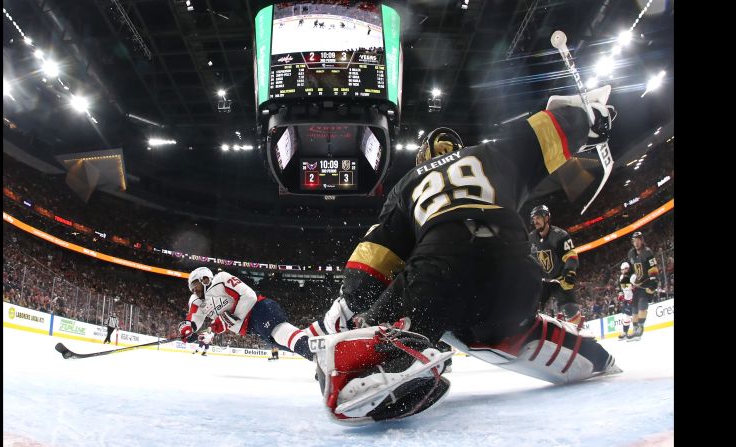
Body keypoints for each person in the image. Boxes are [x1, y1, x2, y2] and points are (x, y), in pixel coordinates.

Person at [308, 86, 622, 424]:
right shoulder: (494, 152)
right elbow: (552, 127)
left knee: (390, 322)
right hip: (517, 277)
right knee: (491, 327)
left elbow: (373, 259)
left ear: (424, 156)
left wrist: (362, 307)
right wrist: (589, 117)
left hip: (440, 274)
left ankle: (415, 351)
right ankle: (581, 351)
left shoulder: (410, 182)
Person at [177, 267, 313, 361]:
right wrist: (187, 329)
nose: (194, 289)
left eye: (195, 284)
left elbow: (249, 296)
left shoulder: (221, 279)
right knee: (283, 343)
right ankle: (318, 352)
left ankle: (318, 353)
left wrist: (225, 320)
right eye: (191, 287)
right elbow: (193, 320)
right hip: (251, 327)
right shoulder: (196, 301)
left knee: (280, 333)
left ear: (205, 279)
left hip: (259, 309)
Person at [528, 205, 582, 328]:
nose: (535, 221)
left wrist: (569, 271)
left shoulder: (560, 235)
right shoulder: (531, 238)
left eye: (538, 218)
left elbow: (571, 256)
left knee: (570, 308)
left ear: (546, 218)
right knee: (529, 308)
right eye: (533, 218)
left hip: (560, 280)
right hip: (542, 281)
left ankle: (577, 336)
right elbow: (529, 260)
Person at [625, 231, 659, 341]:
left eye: (638, 239)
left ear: (641, 240)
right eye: (634, 240)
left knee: (642, 304)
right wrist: (630, 280)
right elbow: (630, 269)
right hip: (637, 285)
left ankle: (640, 328)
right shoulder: (631, 253)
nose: (636, 242)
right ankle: (635, 329)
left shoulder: (648, 252)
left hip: (647, 283)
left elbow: (653, 268)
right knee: (634, 308)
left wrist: (654, 283)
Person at [617, 261, 635, 340]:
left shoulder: (633, 276)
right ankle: (625, 332)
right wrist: (620, 294)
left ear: (628, 269)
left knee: (634, 315)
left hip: (633, 299)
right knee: (626, 316)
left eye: (624, 270)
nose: (623, 272)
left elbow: (636, 288)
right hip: (627, 299)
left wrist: (633, 298)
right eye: (622, 270)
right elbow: (621, 287)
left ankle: (635, 332)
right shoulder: (621, 277)